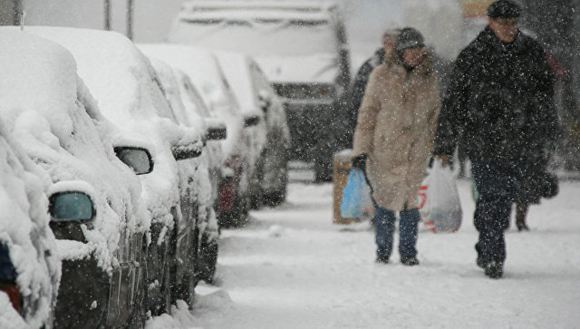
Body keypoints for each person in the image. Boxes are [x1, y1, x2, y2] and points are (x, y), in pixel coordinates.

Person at [433, 0, 560, 278]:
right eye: (502, 23)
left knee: (505, 199)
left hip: (520, 140)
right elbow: (454, 102)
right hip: (484, 141)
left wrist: (547, 132)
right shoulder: (473, 55)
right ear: (490, 22)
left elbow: (545, 98)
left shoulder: (531, 52)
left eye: (512, 23)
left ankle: (488, 244)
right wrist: (445, 145)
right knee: (493, 196)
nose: (508, 28)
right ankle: (493, 255)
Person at [352, 27, 441, 266]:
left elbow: (435, 116)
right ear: (400, 52)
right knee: (384, 199)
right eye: (409, 50)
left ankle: (409, 252)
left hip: (416, 150)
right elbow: (367, 114)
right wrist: (361, 149)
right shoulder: (380, 75)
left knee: (410, 201)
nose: (414, 55)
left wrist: (434, 147)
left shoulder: (429, 78)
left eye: (418, 50)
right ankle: (383, 250)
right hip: (384, 150)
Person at [341, 29, 400, 149]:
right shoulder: (369, 66)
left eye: (393, 43)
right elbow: (358, 100)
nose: (389, 47)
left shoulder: (410, 69)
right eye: (387, 43)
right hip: (374, 129)